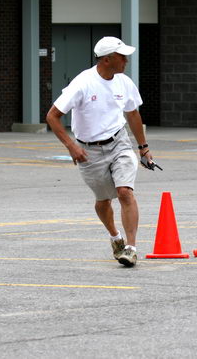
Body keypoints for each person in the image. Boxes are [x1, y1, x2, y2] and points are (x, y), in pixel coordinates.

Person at [46, 36, 153, 268]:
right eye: (122, 57)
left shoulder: (124, 82)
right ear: (107, 59)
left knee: (124, 192)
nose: (126, 61)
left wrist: (143, 147)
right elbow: (52, 116)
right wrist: (71, 146)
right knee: (103, 201)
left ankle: (131, 248)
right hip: (89, 151)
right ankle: (115, 237)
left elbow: (132, 114)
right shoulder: (83, 83)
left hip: (119, 142)